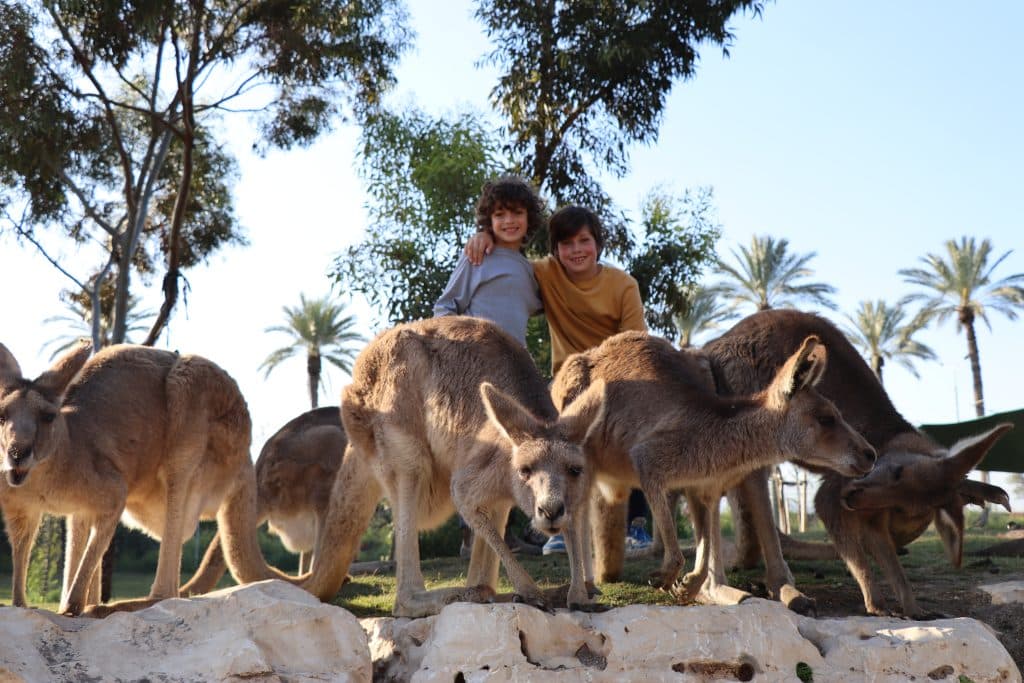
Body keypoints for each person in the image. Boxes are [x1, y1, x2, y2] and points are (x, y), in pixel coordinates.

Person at [465, 204, 653, 554]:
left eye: (584, 241)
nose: (577, 250)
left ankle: (636, 527)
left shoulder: (623, 285)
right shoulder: (546, 274)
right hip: (566, 381)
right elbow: (509, 261)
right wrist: (484, 235)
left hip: (617, 377)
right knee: (544, 437)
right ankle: (556, 528)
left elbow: (636, 347)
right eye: (566, 244)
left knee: (633, 430)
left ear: (597, 244)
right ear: (555, 250)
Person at [435, 175, 546, 557]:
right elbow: (445, 306)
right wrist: (459, 351)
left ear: (529, 219)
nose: (509, 221)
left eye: (516, 213)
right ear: (488, 221)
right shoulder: (477, 257)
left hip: (513, 372)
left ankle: (513, 526)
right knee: (478, 450)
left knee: (512, 451)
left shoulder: (531, 270)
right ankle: (473, 535)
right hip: (476, 369)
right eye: (499, 215)